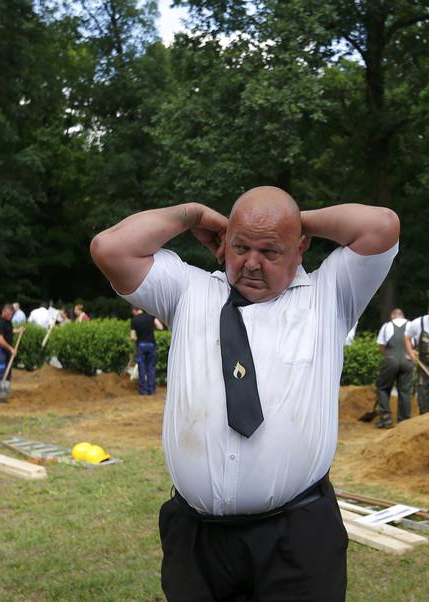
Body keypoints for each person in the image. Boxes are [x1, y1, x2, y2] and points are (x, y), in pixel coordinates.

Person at [90, 187, 398, 601]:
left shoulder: (329, 296)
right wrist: (193, 214)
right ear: (224, 242)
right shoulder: (189, 291)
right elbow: (110, 248)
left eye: (271, 251)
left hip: (296, 538)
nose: (252, 263)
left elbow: (382, 226)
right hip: (198, 541)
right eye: (241, 246)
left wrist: (291, 218)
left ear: (301, 247)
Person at [374, 308, 413, 428]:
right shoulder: (411, 325)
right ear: (402, 316)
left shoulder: (387, 326)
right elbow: (415, 343)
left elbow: (381, 346)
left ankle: (386, 417)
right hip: (408, 360)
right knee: (405, 391)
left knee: (382, 387)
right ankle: (404, 421)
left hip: (390, 360)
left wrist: (389, 356)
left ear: (392, 317)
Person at [130, 307, 164, 395]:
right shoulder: (151, 316)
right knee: (151, 367)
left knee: (142, 368)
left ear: (134, 310)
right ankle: (152, 390)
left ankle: (143, 390)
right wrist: (152, 329)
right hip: (151, 345)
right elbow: (160, 327)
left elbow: (133, 336)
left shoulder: (134, 320)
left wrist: (137, 338)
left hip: (141, 345)